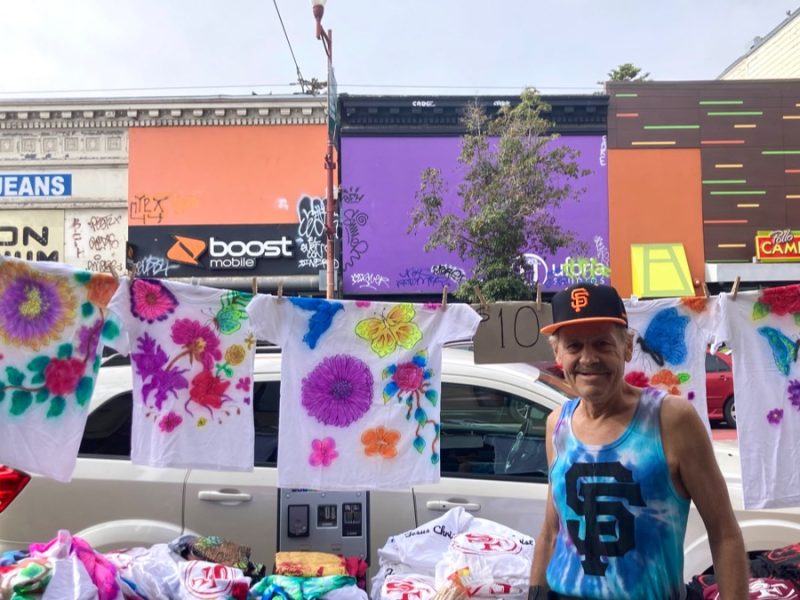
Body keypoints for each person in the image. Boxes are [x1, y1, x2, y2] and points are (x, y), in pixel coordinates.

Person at [528, 284, 748, 600]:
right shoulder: (556, 425)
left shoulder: (671, 420)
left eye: (603, 344)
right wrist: (534, 593)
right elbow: (551, 531)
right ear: (557, 353)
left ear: (627, 347)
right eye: (574, 346)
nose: (588, 359)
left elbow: (725, 532)